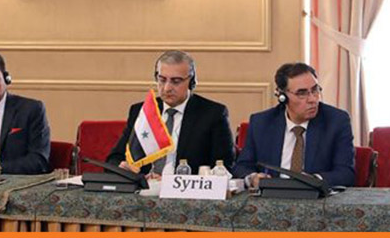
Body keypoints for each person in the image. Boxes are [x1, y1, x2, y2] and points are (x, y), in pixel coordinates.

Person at [106, 50, 235, 176]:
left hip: (186, 188)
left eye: (176, 81)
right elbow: (114, 159)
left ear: (191, 82)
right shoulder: (141, 111)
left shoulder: (213, 114)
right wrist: (123, 168)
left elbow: (224, 166)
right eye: (162, 80)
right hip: (145, 186)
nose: (167, 88)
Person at [233, 62, 355, 188]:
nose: (313, 99)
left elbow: (346, 173)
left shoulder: (336, 121)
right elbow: (241, 167)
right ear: (283, 97)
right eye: (302, 93)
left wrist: (315, 180)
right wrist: (253, 178)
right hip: (272, 195)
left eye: (315, 90)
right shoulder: (261, 123)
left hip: (315, 196)